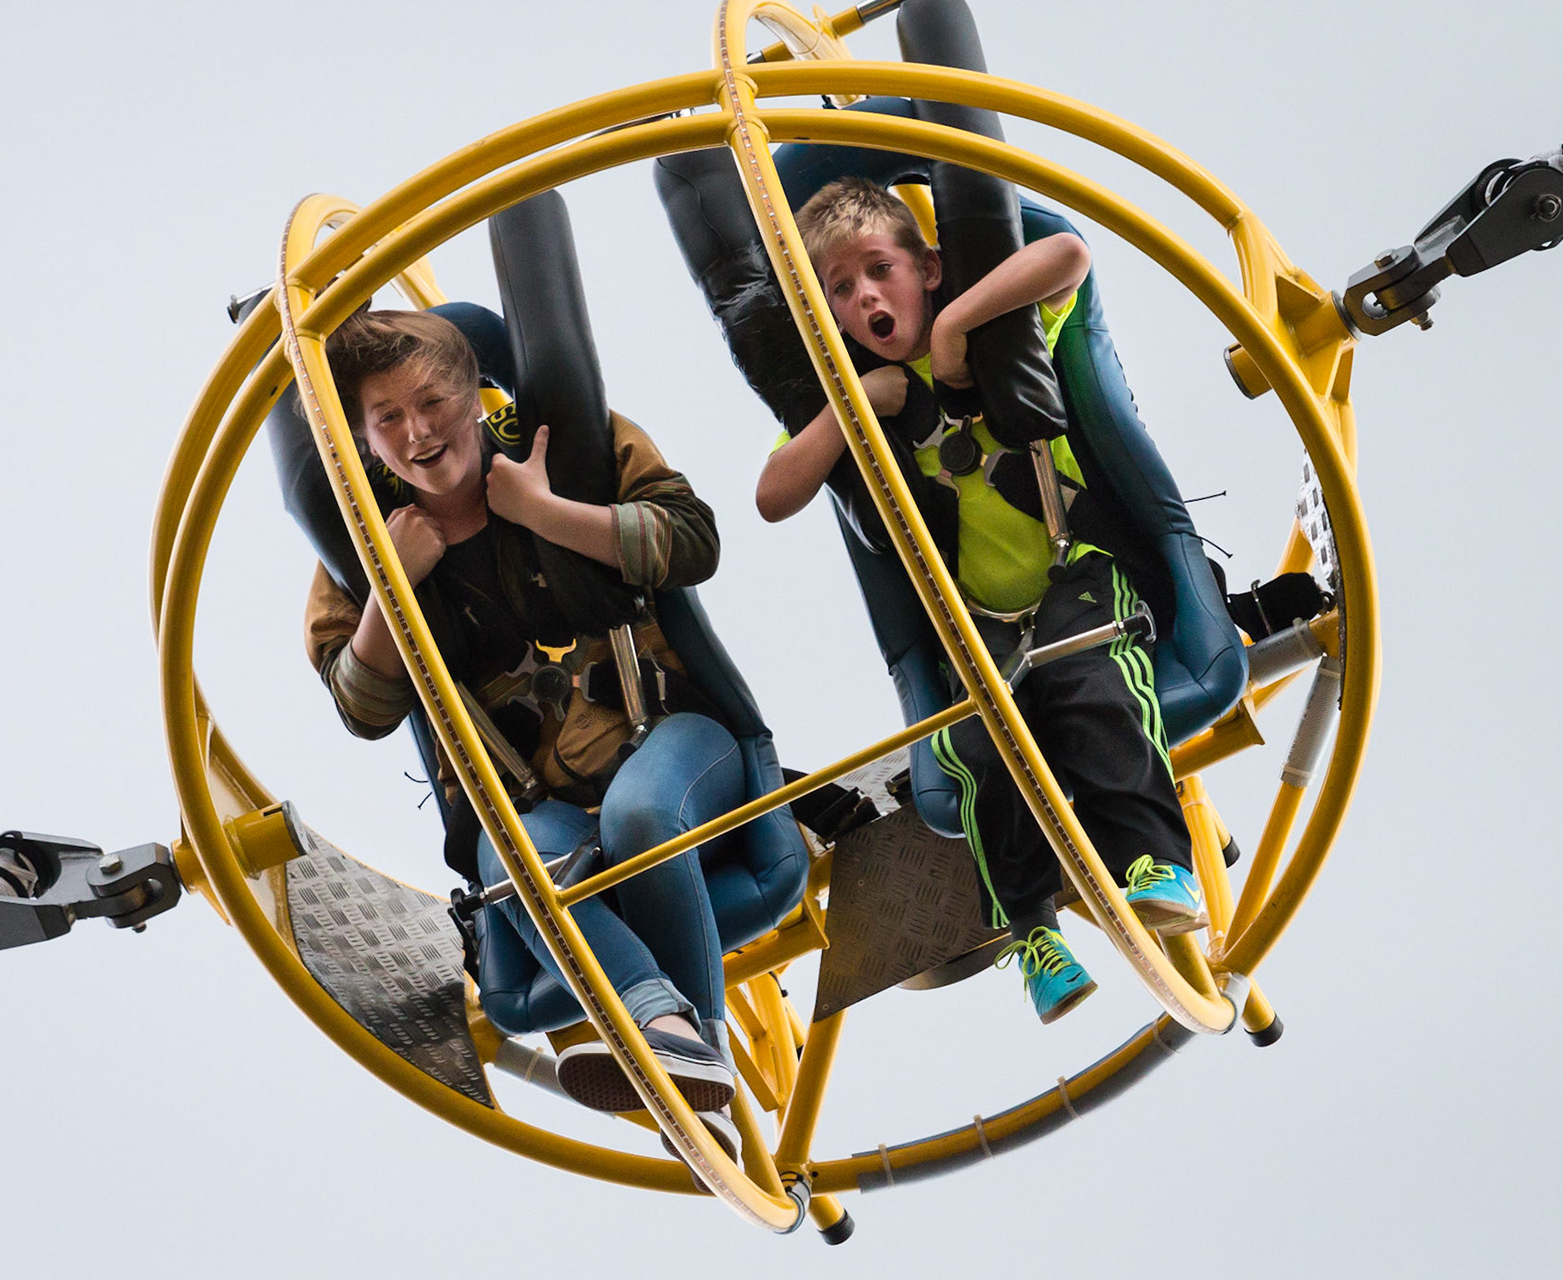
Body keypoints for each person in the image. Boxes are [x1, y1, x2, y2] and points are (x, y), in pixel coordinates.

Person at [756, 177, 1206, 1024]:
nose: (865, 298)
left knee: (1097, 688)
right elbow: (774, 494)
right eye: (842, 291)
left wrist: (959, 330)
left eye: (878, 270)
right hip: (982, 624)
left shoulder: (1002, 328)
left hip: (1078, 575)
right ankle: (1032, 930)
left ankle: (1153, 861)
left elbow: (1069, 253)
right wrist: (851, 408)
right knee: (980, 753)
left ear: (929, 267)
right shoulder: (853, 394)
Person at [303, 307, 741, 1158]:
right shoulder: (362, 547)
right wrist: (395, 584)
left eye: (431, 401)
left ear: (473, 395)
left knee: (642, 818)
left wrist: (544, 513)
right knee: (514, 861)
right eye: (387, 418)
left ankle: (686, 1040)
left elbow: (694, 539)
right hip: (537, 799)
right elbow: (361, 709)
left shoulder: (571, 446)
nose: (418, 432)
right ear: (364, 438)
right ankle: (672, 1035)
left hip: (676, 743)